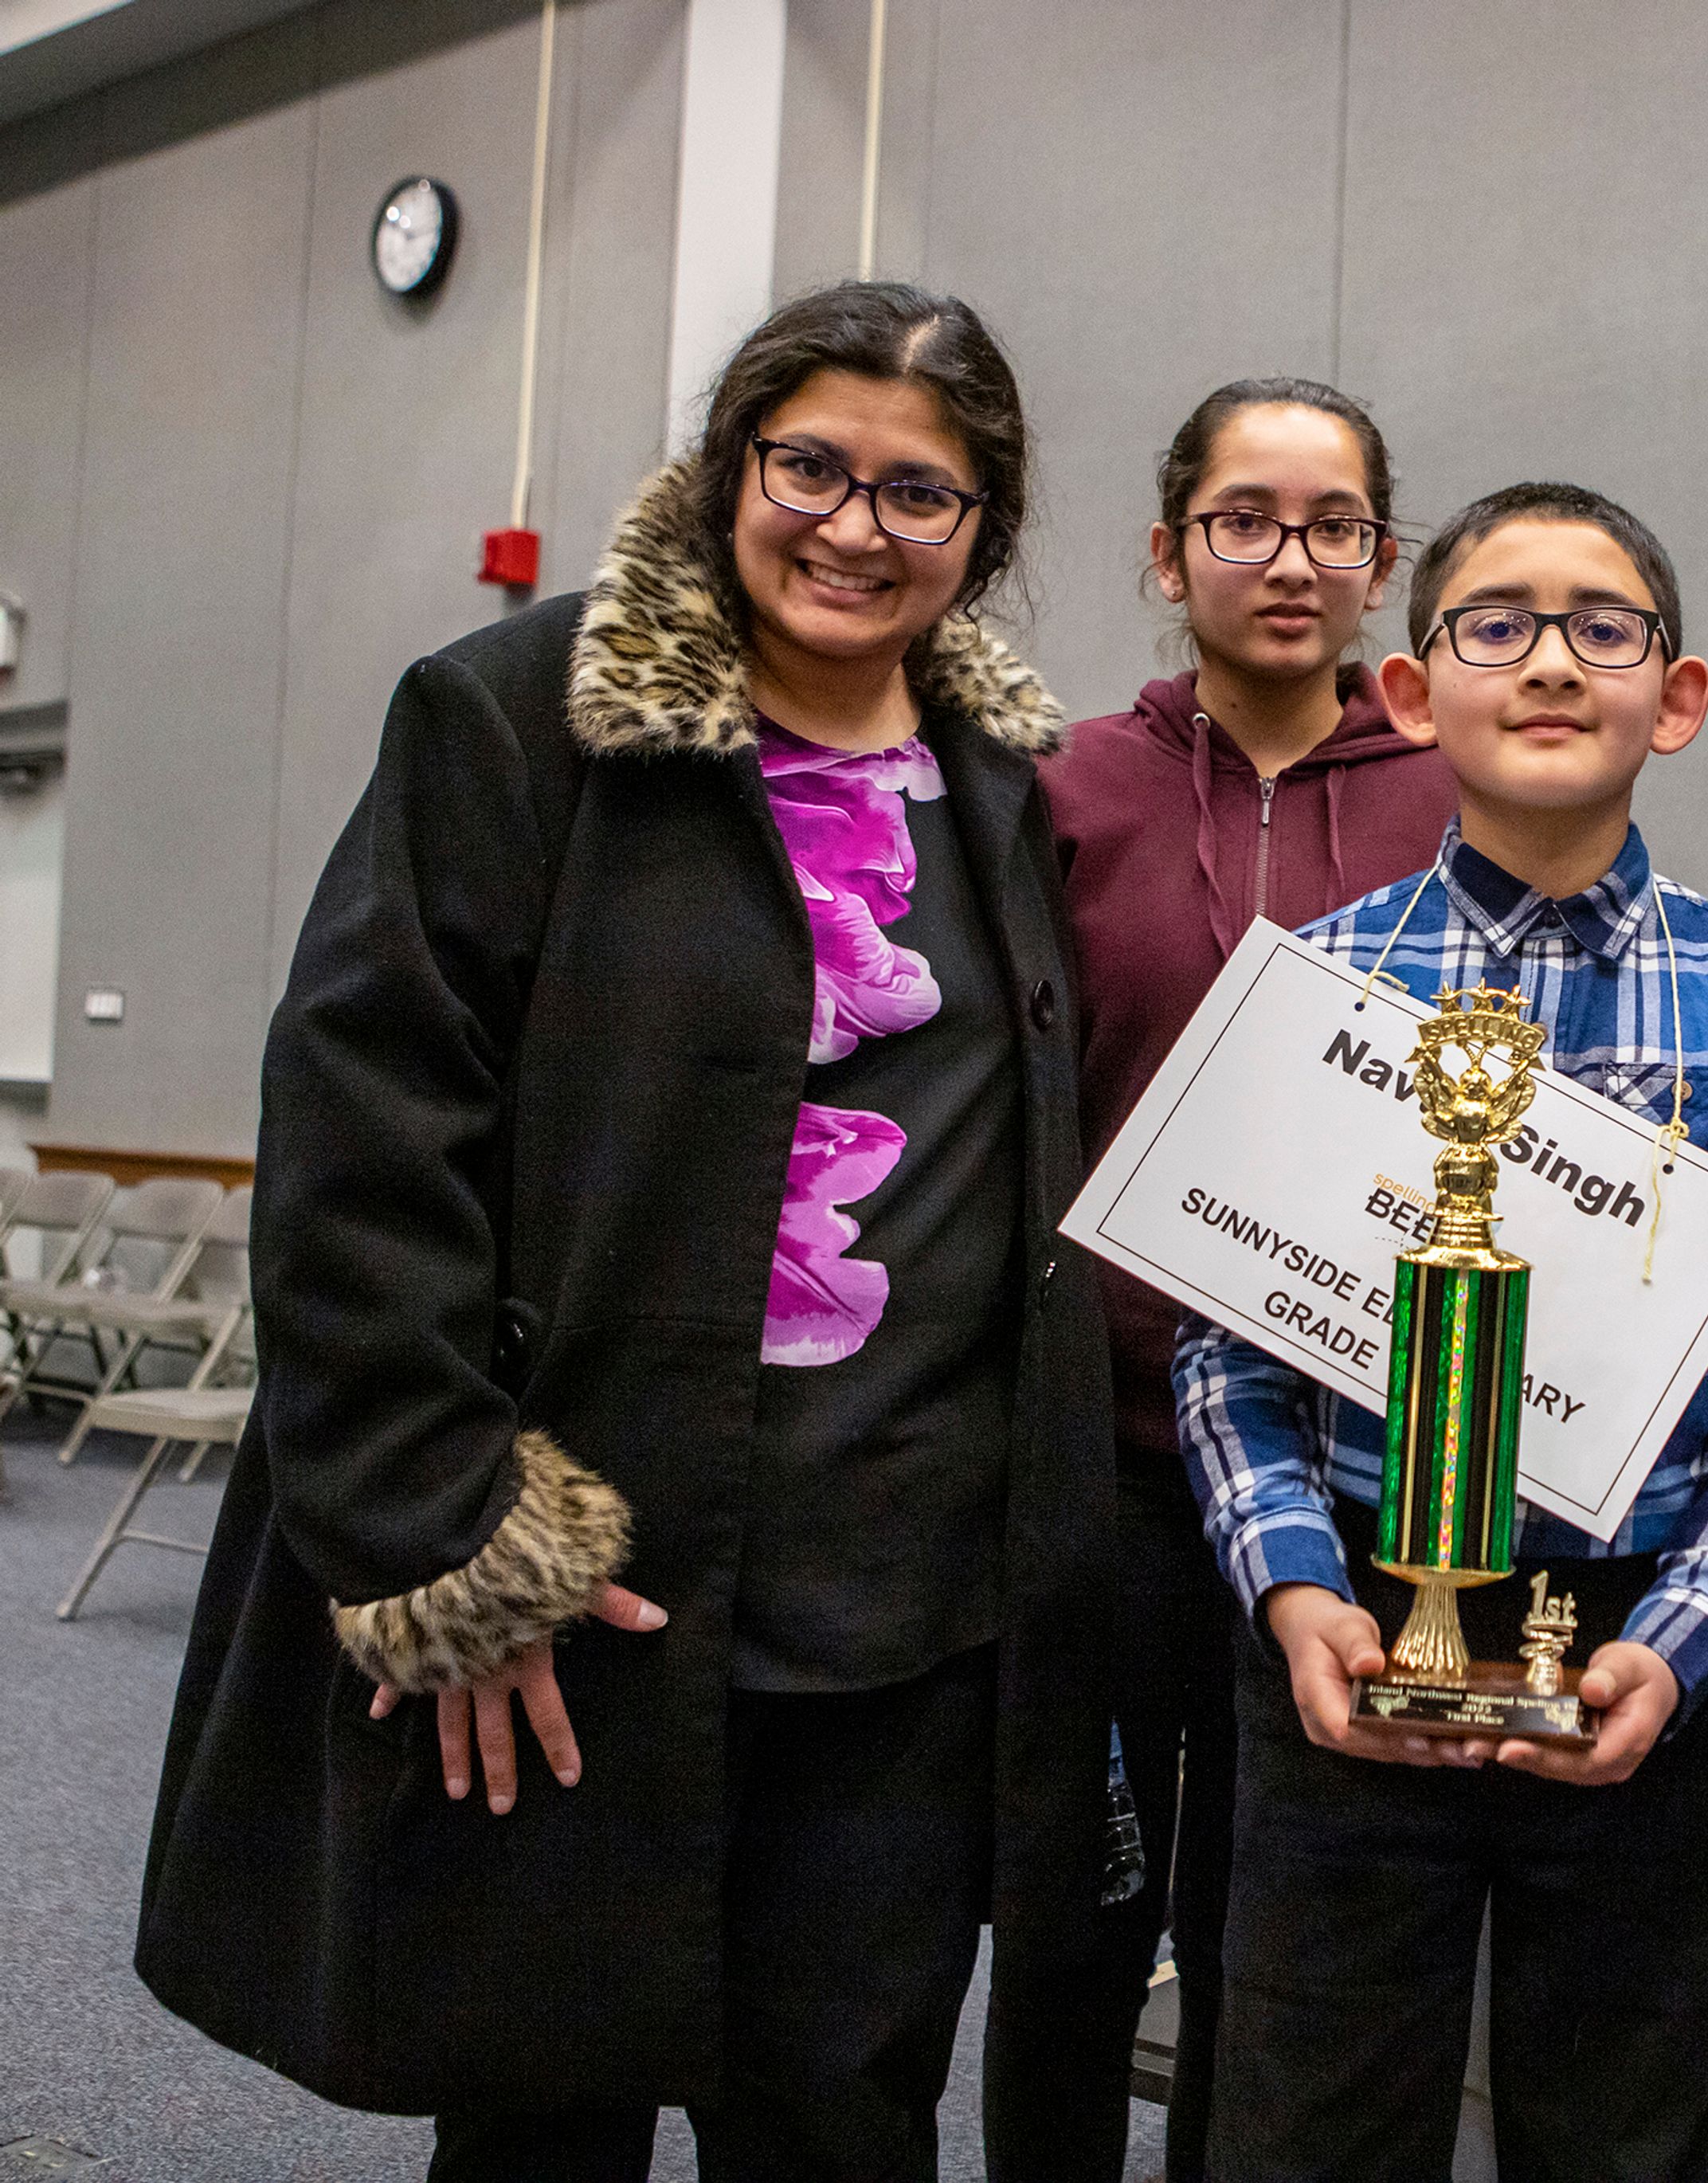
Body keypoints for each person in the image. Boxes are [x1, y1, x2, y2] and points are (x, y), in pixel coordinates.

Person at [135, 280, 1115, 2183]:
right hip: (596, 1578)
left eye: (920, 492)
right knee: (540, 2118)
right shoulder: (516, 720)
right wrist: (453, 1536)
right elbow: (358, 1150)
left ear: (984, 528)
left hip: (903, 1609)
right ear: (728, 463)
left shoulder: (1004, 791)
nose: (852, 525)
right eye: (809, 464)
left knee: (844, 2117)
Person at [1176, 483, 1708, 2182]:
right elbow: (1224, 1348)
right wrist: (1296, 1589)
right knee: (1309, 2126)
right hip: (1349, 1632)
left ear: (1676, 697)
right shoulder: (1314, 986)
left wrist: (1693, 1634)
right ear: (1412, 694)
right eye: (1496, 623)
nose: (1550, 661)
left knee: (1622, 2131)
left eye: (1601, 627)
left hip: (1639, 1648)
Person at [1037, 376, 1455, 2181]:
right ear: (1167, 547)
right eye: (1243, 518)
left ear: (1382, 565)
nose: (1290, 559)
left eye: (1334, 525)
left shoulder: (1458, 794)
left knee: (1271, 1950)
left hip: (1344, 1477)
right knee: (1065, 1934)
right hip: (1093, 1471)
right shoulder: (1062, 790)